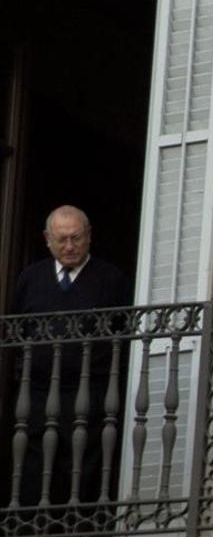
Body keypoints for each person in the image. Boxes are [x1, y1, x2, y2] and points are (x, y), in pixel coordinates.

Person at [9, 205, 129, 512]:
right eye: (61, 239)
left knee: (84, 460)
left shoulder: (110, 279)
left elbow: (122, 335)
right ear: (47, 239)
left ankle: (81, 528)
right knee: (34, 460)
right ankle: (33, 527)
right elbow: (18, 330)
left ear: (89, 237)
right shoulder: (31, 278)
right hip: (36, 392)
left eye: (76, 238)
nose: (70, 246)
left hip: (90, 391)